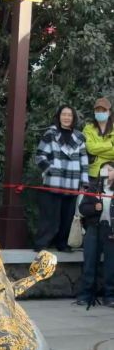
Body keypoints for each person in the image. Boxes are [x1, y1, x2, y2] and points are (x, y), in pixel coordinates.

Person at [34, 105, 89, 252]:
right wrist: (50, 169)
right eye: (63, 114)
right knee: (49, 217)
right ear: (59, 117)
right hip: (53, 182)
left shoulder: (79, 137)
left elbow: (84, 161)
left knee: (67, 217)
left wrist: (84, 182)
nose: (66, 117)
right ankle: (41, 244)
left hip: (72, 183)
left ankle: (62, 244)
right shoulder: (50, 134)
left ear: (73, 118)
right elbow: (39, 156)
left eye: (69, 115)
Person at [76, 162, 114, 307]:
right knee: (90, 262)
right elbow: (82, 208)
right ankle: (86, 295)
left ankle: (109, 296)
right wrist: (94, 207)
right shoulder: (93, 188)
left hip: (110, 230)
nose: (106, 172)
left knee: (111, 265)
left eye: (110, 170)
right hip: (93, 228)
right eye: (103, 169)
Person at [83, 97, 114, 180]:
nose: (100, 113)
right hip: (93, 173)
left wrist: (98, 152)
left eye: (104, 110)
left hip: (112, 172)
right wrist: (110, 144)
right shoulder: (88, 129)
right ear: (94, 112)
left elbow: (94, 150)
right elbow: (90, 149)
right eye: (98, 110)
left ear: (109, 112)